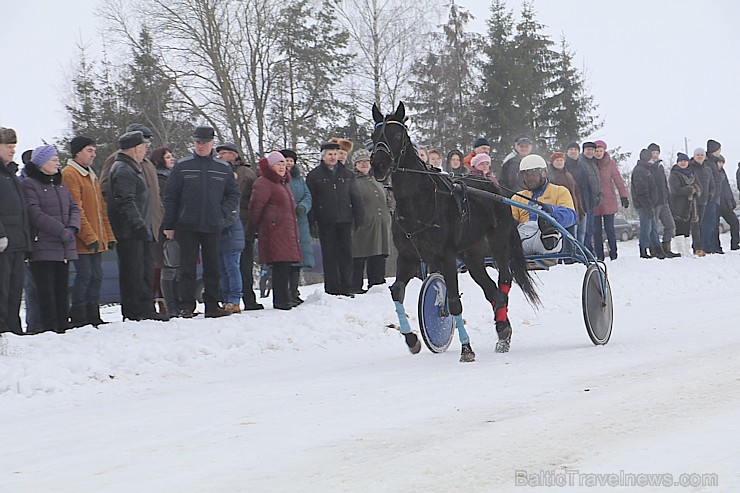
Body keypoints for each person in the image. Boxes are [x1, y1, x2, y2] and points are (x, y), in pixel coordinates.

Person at [163, 125, 240, 318]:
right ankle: (186, 306)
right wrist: (170, 224)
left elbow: (233, 193)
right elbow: (170, 196)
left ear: (212, 144)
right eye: (198, 142)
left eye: (204, 142)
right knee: (187, 266)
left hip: (213, 225)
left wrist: (221, 212)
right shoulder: (182, 165)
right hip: (187, 224)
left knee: (213, 267)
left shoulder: (222, 167)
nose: (201, 146)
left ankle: (212, 305)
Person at [108, 131, 167, 321]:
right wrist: (139, 225)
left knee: (144, 270)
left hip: (139, 229)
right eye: (143, 147)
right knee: (133, 272)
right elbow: (126, 201)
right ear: (135, 149)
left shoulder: (132, 167)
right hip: (131, 232)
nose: (144, 151)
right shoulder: (123, 169)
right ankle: (136, 311)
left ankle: (144, 308)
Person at [23, 146, 81, 333]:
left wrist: (72, 228)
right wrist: (60, 230)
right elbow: (34, 213)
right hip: (43, 245)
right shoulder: (30, 184)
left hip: (64, 245)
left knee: (61, 288)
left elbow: (74, 206)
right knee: (45, 290)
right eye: (53, 160)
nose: (58, 163)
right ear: (41, 163)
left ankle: (63, 323)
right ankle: (48, 327)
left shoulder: (60, 183)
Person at [61, 136, 117, 327]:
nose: (94, 154)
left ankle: (93, 314)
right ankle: (79, 315)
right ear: (77, 152)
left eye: (94, 150)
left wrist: (108, 236)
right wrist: (89, 236)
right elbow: (76, 210)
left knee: (96, 276)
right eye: (89, 150)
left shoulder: (91, 175)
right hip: (82, 240)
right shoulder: (70, 174)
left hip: (97, 238)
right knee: (85, 276)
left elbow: (101, 209)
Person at [306, 141, 364, 297]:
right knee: (329, 255)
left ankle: (347, 287)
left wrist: (359, 218)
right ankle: (332, 288)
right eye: (329, 154)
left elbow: (356, 197)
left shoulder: (347, 174)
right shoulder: (314, 176)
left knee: (346, 254)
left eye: (335, 154)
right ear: (323, 156)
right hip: (326, 221)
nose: (333, 157)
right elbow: (311, 200)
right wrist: (312, 223)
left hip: (345, 220)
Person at [249, 152, 302, 310]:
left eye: (283, 164)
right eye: (278, 163)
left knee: (285, 265)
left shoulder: (283, 183)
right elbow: (256, 207)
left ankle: (285, 298)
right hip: (274, 229)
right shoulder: (264, 182)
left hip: (285, 230)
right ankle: (281, 300)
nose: (281, 166)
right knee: (279, 265)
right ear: (270, 166)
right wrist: (263, 225)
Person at [216, 142, 262, 311]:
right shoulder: (224, 172)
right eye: (218, 154)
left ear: (234, 155)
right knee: (228, 265)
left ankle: (247, 299)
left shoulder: (243, 173)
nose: (219, 156)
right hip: (229, 224)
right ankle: (229, 297)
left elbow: (234, 196)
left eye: (223, 153)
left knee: (242, 265)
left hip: (242, 225)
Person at [510, 154, 576, 255]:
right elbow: (511, 222)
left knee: (546, 223)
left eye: (533, 174)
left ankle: (547, 234)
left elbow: (571, 217)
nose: (530, 178)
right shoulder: (517, 197)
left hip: (545, 237)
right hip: (522, 237)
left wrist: (552, 211)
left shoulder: (559, 191)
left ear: (544, 173)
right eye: (527, 175)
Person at [0, 127, 31, 335]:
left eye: (14, 147)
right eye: (8, 147)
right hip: (4, 240)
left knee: (14, 287)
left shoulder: (11, 173)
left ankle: (13, 326)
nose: (12, 151)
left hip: (17, 240)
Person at [350, 149, 391, 294]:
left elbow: (387, 199)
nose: (364, 164)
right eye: (360, 162)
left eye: (366, 161)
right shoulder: (352, 181)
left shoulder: (377, 180)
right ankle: (355, 286)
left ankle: (377, 283)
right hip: (361, 226)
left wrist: (389, 213)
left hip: (381, 225)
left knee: (379, 253)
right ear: (355, 165)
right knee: (360, 254)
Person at [150, 147, 179, 317]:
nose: (172, 159)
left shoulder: (173, 176)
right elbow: (164, 203)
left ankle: (168, 300)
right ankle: (161, 301)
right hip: (163, 226)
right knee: (161, 265)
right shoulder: (159, 178)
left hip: (173, 224)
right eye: (168, 157)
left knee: (171, 264)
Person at [283, 149, 314, 306]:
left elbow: (307, 195)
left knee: (297, 259)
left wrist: (303, 206)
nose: (289, 163)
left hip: (300, 221)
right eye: (286, 160)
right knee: (286, 259)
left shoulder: (299, 179)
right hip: (285, 222)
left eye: (291, 160)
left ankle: (294, 291)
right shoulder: (279, 179)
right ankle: (285, 292)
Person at [217, 148, 246, 313]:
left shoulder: (232, 190)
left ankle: (234, 299)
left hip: (231, 233)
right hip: (221, 234)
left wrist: (218, 223)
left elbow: (232, 213)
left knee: (232, 267)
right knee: (223, 268)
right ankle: (227, 298)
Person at [592, 140, 629, 261]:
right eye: (596, 151)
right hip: (595, 201)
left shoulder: (610, 163)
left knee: (610, 229)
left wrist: (623, 195)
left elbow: (617, 179)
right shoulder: (590, 163)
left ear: (604, 151)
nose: (598, 153)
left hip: (608, 199)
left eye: (600, 151)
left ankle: (614, 254)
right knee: (596, 231)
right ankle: (599, 256)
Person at [631, 149, 664, 259]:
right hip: (644, 205)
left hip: (650, 204)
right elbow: (642, 191)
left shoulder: (647, 169)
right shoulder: (640, 171)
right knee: (646, 227)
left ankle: (658, 249)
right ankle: (643, 250)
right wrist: (648, 206)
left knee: (653, 227)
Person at [647, 143, 679, 257]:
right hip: (654, 203)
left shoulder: (660, 166)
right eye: (653, 153)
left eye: (657, 153)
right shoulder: (648, 167)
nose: (655, 155)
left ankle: (666, 247)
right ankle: (654, 250)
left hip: (664, 201)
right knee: (653, 227)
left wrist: (667, 197)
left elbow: (664, 184)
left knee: (670, 225)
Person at [669, 153, 702, 257]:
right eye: (681, 161)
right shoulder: (674, 174)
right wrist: (689, 189)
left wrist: (696, 190)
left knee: (687, 228)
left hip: (691, 205)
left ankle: (687, 249)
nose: (683, 163)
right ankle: (681, 250)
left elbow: (699, 187)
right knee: (680, 228)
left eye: (685, 161)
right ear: (678, 162)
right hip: (678, 206)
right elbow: (676, 190)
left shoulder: (692, 174)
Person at [689, 147, 714, 256]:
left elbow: (712, 184)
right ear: (694, 156)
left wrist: (711, 195)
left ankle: (699, 246)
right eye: (697, 154)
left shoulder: (707, 169)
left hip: (704, 201)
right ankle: (697, 248)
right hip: (692, 200)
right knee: (695, 224)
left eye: (701, 155)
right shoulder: (690, 168)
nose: (699, 156)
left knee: (700, 224)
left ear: (704, 157)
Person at [703, 139, 724, 254]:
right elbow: (709, 182)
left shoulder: (713, 162)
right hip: (710, 198)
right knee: (708, 223)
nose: (719, 152)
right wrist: (711, 195)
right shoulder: (709, 163)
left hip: (715, 198)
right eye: (718, 149)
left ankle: (713, 246)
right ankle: (707, 246)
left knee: (713, 224)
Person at [715, 155, 739, 251]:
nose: (720, 165)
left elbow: (727, 188)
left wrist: (731, 200)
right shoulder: (713, 172)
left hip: (725, 204)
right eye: (719, 162)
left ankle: (735, 243)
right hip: (716, 203)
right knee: (715, 226)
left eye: (722, 163)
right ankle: (717, 246)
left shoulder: (723, 173)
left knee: (734, 222)